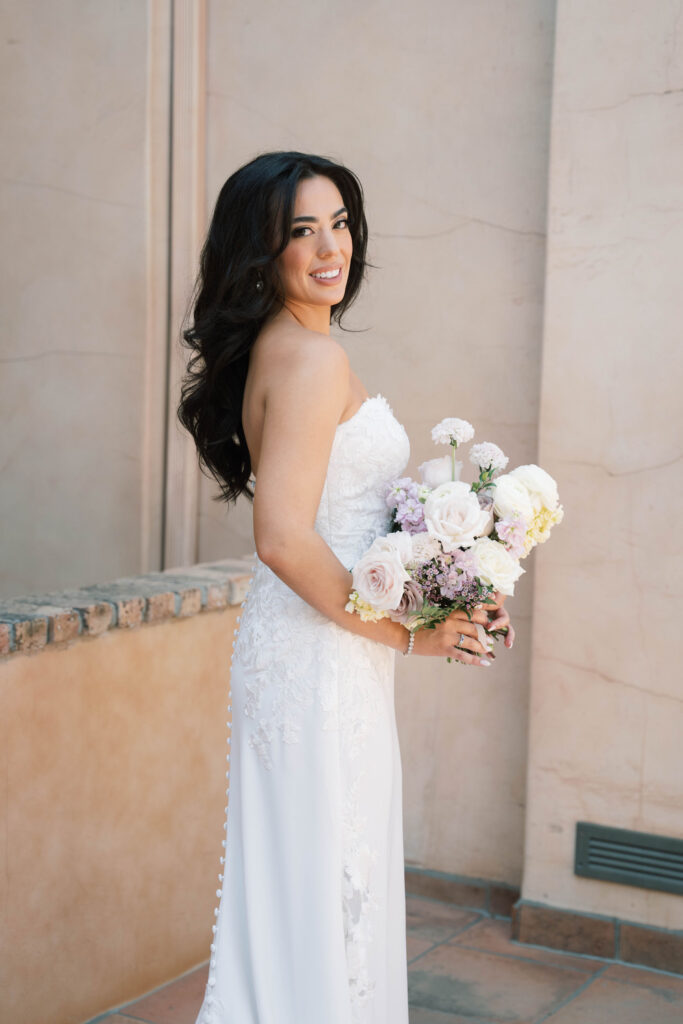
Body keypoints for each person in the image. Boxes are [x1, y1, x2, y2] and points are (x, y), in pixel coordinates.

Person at [178, 150, 515, 1024]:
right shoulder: (308, 361)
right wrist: (412, 634)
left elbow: (342, 526)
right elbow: (286, 538)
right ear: (264, 250)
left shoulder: (291, 347)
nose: (331, 246)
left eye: (340, 223)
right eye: (301, 230)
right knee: (329, 885)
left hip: (325, 649)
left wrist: (445, 580)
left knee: (322, 883)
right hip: (318, 658)